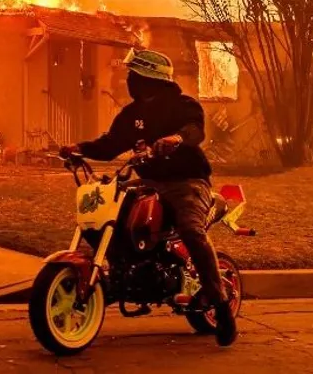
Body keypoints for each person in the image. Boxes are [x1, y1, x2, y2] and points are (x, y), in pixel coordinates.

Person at [61, 48, 238, 347]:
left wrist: (176, 139)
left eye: (134, 75)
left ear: (148, 78)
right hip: (148, 181)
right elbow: (110, 144)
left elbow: (195, 130)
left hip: (186, 182)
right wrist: (78, 148)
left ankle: (221, 306)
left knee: (192, 231)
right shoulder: (131, 115)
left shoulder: (184, 106)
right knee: (112, 218)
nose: (129, 80)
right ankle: (121, 274)